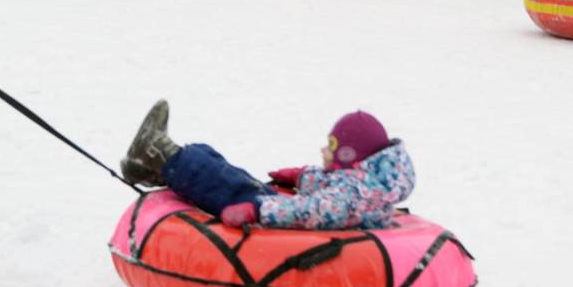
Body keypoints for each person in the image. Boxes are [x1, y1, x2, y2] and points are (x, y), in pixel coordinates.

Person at [121, 103, 415, 230]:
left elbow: (314, 210)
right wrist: (304, 177)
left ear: (351, 155)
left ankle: (160, 153)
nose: (324, 150)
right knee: (225, 169)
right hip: (291, 217)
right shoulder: (366, 185)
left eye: (332, 146)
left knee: (229, 187)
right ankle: (162, 165)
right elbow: (335, 190)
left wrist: (259, 210)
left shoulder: (354, 195)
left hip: (286, 226)